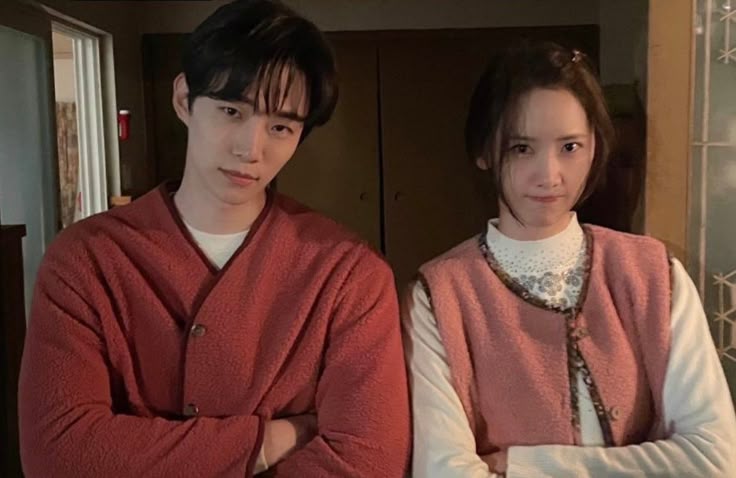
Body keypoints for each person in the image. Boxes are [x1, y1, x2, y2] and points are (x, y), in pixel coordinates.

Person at [19, 1, 410, 476]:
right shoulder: (86, 259)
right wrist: (269, 439)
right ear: (185, 99)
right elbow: (57, 454)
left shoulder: (348, 273)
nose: (251, 149)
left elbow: (369, 459)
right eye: (231, 111)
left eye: (280, 127)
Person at [403, 41, 736, 477]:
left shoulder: (653, 273)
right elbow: (443, 471)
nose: (549, 175)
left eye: (570, 147)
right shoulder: (438, 295)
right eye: (521, 148)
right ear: (483, 151)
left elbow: (714, 459)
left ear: (595, 147)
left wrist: (521, 465)